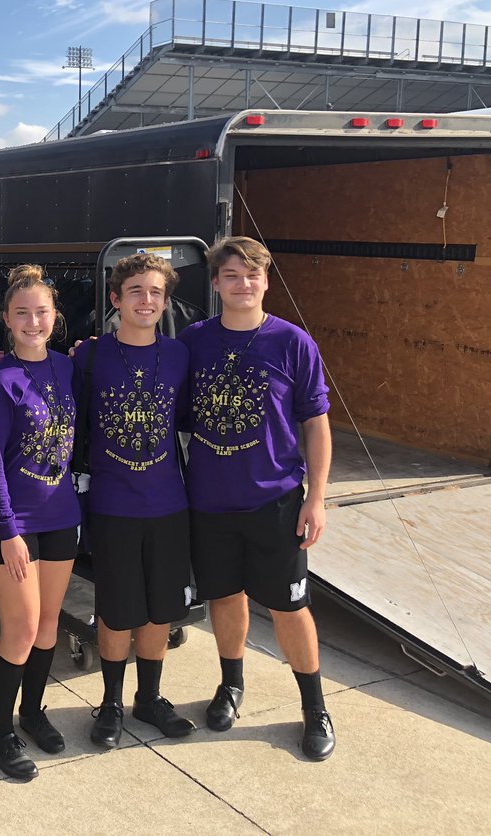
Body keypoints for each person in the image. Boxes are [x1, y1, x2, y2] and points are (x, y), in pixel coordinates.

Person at [178, 236, 335, 761]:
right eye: (231, 275)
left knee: (291, 607)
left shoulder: (293, 343)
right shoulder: (195, 341)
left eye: (252, 275)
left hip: (277, 502)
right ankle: (231, 685)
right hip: (210, 502)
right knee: (225, 597)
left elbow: (316, 423)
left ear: (266, 280)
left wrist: (317, 497)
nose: (242, 284)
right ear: (217, 283)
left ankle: (314, 708)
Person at [74, 253, 197, 750]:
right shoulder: (89, 355)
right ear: (115, 299)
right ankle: (110, 703)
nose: (146, 300)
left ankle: (148, 699)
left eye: (155, 293)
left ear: (165, 301)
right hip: (111, 503)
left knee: (159, 608)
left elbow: (190, 419)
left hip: (168, 502)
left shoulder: (180, 355)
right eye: (136, 292)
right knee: (116, 608)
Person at [0, 265, 81, 780]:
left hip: (62, 517)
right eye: (23, 313)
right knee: (18, 630)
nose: (33, 321)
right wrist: (9, 529)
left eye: (42, 312)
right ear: (6, 320)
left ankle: (33, 712)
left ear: (54, 316)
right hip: (12, 525)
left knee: (47, 627)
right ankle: (0, 734)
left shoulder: (67, 368)